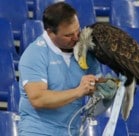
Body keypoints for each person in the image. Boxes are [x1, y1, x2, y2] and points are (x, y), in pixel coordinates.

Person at [18, 2, 101, 135]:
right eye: (68, 35)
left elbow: (98, 85)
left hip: (71, 131)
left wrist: (105, 86)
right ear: (50, 32)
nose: (76, 38)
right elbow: (38, 99)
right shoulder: (35, 54)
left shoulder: (85, 51)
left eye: (77, 30)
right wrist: (78, 91)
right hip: (37, 131)